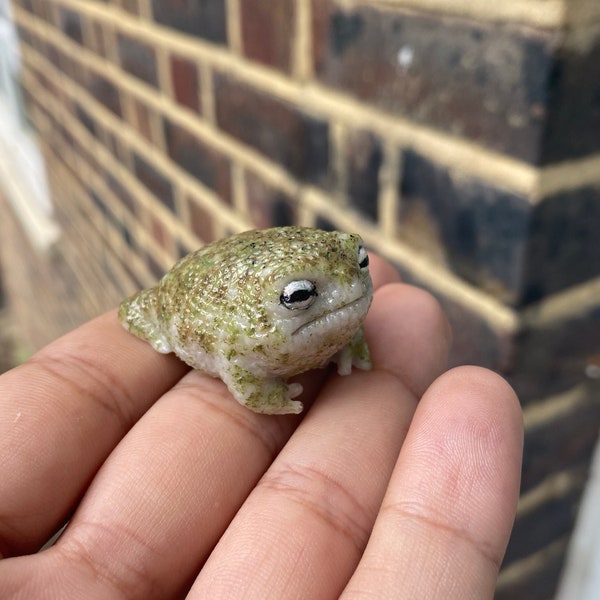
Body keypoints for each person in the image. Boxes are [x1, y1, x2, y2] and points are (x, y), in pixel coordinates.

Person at [0, 255, 523, 599]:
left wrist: (351, 337)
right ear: (281, 303)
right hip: (190, 298)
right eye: (301, 294)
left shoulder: (344, 294)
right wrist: (266, 394)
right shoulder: (247, 331)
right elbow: (235, 361)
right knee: (149, 314)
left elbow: (349, 298)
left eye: (359, 261)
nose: (357, 282)